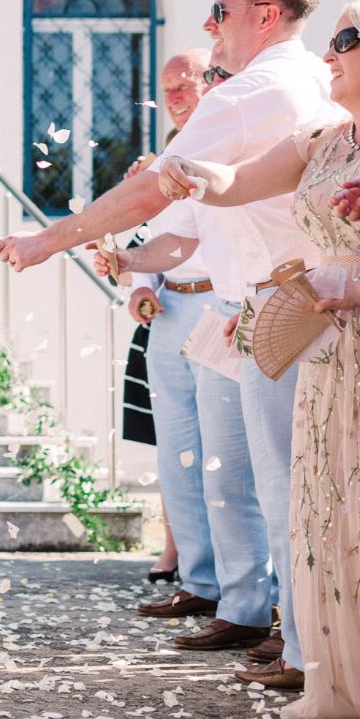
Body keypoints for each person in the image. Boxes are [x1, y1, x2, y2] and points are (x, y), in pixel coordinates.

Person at [0, 0, 342, 672]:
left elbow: (154, 192)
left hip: (278, 307)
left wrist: (46, 240)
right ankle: (293, 627)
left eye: (221, 11)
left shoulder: (246, 93)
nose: (209, 26)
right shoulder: (316, 77)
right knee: (308, 483)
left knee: (281, 486)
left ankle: (306, 650)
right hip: (317, 299)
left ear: (264, 15)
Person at [158, 0, 360, 709]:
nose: (328, 53)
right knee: (332, 516)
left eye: (345, 39)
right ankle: (349, 680)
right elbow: (235, 184)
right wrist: (198, 175)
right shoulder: (323, 137)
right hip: (327, 357)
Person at [119, 47, 216, 587]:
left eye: (187, 84)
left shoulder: (226, 145)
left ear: (213, 83)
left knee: (222, 445)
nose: (174, 97)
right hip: (169, 304)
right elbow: (145, 237)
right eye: (168, 87)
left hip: (214, 301)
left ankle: (226, 580)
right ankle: (191, 570)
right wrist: (138, 284)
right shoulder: (159, 160)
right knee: (174, 442)